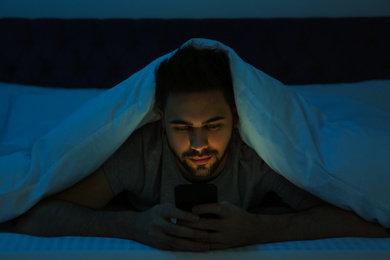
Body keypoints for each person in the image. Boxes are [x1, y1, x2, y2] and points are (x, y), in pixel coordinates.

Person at [14, 46, 387, 251]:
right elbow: (36, 216)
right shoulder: (143, 151)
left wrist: (260, 230)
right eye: (181, 127)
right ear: (160, 119)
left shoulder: (259, 154)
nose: (198, 145)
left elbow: (367, 222)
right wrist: (132, 225)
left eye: (213, 125)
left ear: (237, 119)